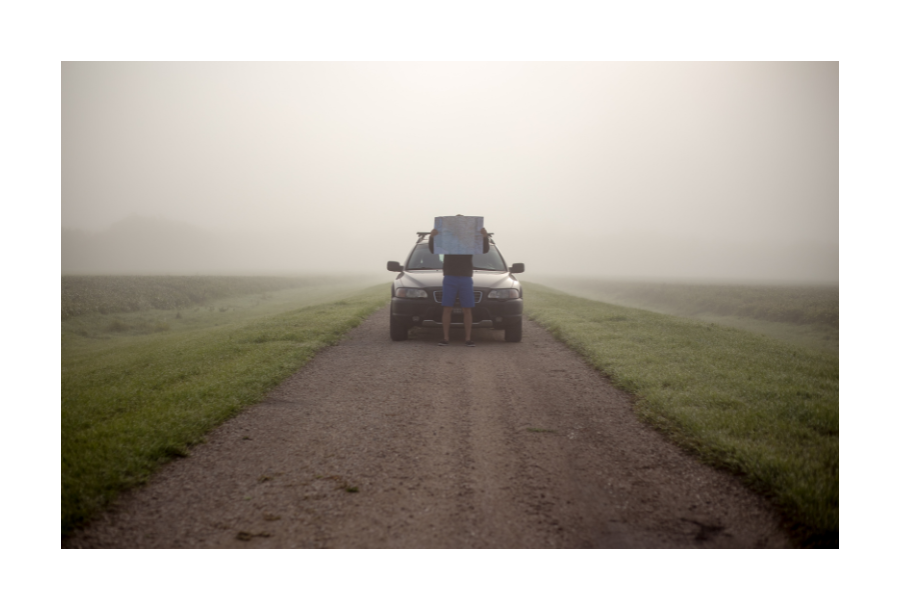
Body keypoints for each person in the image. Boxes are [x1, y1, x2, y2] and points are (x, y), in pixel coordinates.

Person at [429, 220, 490, 347]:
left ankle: (468, 339)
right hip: (450, 277)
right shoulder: (447, 240)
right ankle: (445, 338)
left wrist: (485, 236)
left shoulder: (470, 241)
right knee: (447, 308)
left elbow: (484, 249)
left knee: (467, 309)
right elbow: (433, 249)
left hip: (466, 277)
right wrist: (431, 237)